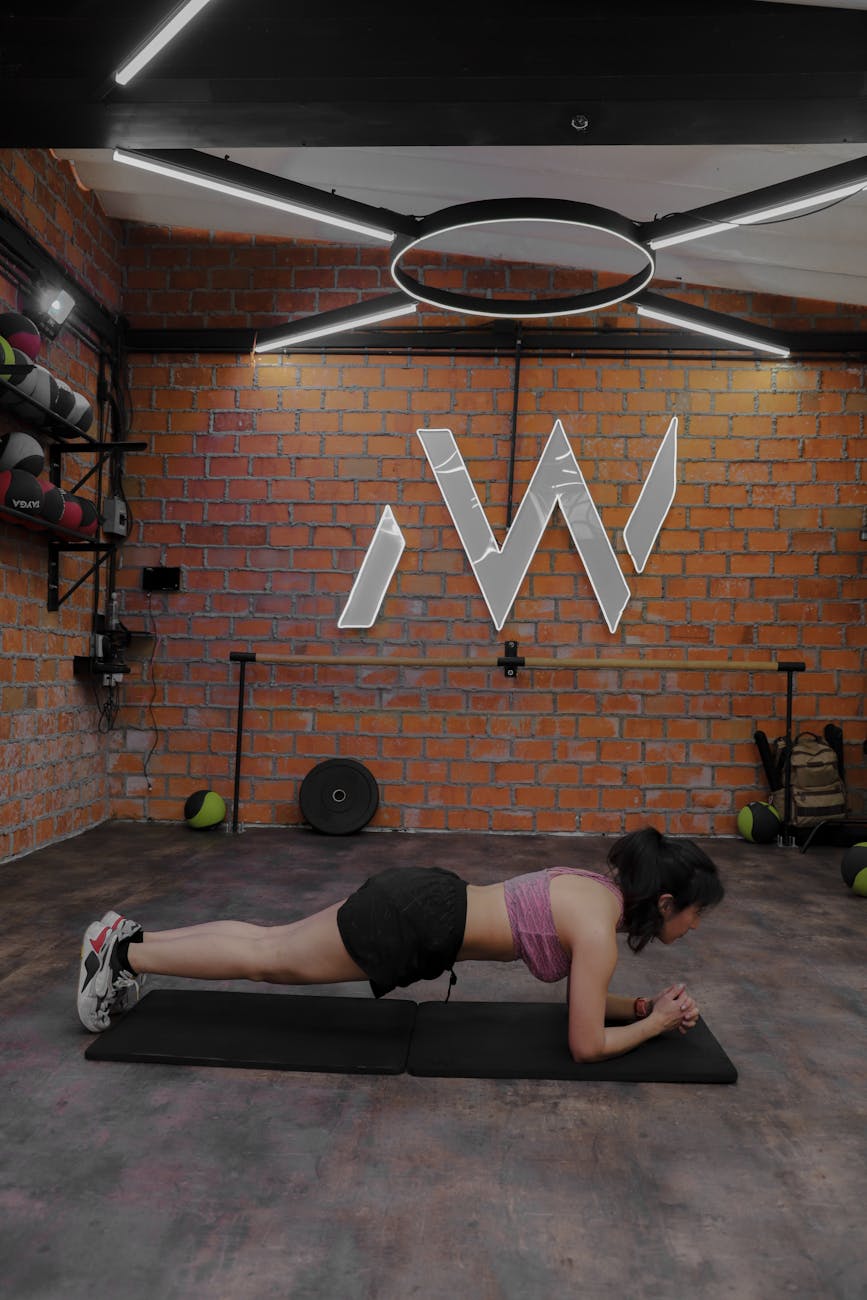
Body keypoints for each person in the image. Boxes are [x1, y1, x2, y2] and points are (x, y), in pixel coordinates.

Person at [77, 825, 723, 1062]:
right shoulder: (598, 928)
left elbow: (588, 999)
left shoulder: (597, 896)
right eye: (694, 915)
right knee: (268, 958)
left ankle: (129, 941)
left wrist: (641, 1010)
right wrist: (654, 1026)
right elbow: (583, 1045)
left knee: (269, 945)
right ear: (664, 902)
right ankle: (123, 955)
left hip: (424, 899)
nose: (694, 928)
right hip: (414, 922)